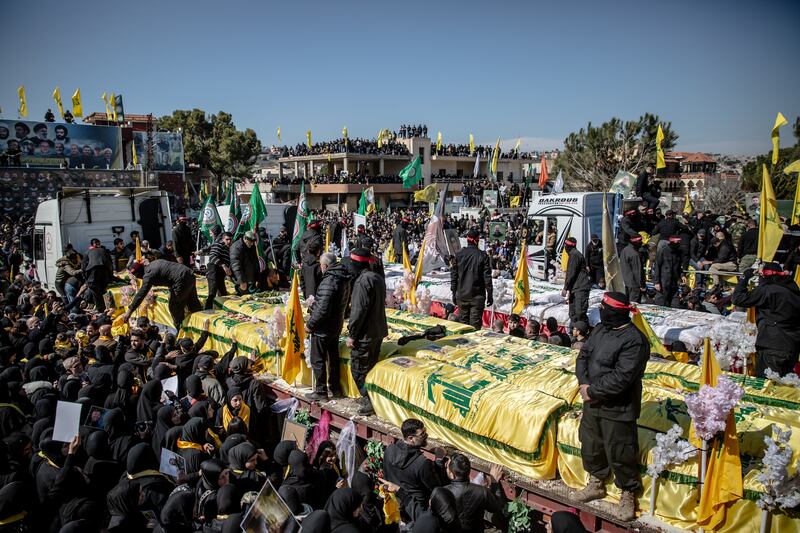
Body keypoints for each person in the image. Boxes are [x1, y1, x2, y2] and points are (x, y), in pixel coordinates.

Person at [573, 292, 650, 522]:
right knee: (591, 443)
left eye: (606, 311)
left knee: (621, 450)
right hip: (592, 402)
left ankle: (628, 491)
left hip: (618, 407)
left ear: (617, 313)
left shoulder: (634, 340)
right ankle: (596, 481)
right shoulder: (599, 330)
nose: (602, 314)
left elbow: (622, 377)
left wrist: (592, 391)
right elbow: (583, 357)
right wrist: (584, 383)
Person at [731, 263, 800, 377]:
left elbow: (738, 299)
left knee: (766, 385)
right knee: (784, 388)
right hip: (792, 348)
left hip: (772, 346)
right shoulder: (794, 292)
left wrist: (744, 278)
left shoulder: (768, 289)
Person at [346, 247, 388, 415]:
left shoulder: (363, 282)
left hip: (365, 335)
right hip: (377, 331)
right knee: (370, 367)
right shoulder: (377, 278)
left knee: (358, 369)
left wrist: (352, 334)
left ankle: (369, 399)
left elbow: (358, 311)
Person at [306, 253, 351, 401]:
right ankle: (335, 387)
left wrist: (310, 324)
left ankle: (320, 391)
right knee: (333, 357)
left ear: (324, 265)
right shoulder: (343, 278)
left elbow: (322, 309)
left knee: (317, 359)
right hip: (335, 325)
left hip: (323, 328)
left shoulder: (329, 280)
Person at [383, 419, 444, 522]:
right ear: (411, 438)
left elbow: (386, 474)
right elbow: (435, 487)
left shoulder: (390, 449)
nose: (426, 435)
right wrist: (439, 461)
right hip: (415, 510)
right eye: (422, 434)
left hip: (395, 504)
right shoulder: (421, 463)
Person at [124, 257, 202, 329]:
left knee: (175, 306)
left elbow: (141, 294)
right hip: (189, 273)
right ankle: (201, 325)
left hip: (181, 280)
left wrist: (129, 311)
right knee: (193, 302)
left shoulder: (149, 275)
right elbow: (168, 274)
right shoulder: (153, 263)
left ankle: (181, 331)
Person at [444, 453, 507, 532]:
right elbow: (497, 506)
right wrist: (494, 482)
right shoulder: (481, 491)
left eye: (447, 466)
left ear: (452, 475)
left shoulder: (442, 493)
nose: (445, 465)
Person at [450, 228, 493, 330]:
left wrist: (454, 292)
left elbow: (454, 276)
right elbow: (487, 278)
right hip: (477, 297)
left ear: (467, 240)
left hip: (462, 295)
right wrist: (490, 294)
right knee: (474, 328)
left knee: (463, 327)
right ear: (477, 240)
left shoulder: (459, 255)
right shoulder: (483, 255)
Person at [562, 237, 590, 326]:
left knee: (580, 313)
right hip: (575, 288)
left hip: (580, 288)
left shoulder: (574, 255)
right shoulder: (574, 254)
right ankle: (575, 332)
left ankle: (583, 333)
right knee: (573, 313)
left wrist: (565, 288)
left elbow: (571, 273)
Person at [82, 238, 113, 312]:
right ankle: (107, 307)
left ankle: (100, 309)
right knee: (104, 290)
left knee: (95, 291)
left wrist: (85, 278)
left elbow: (83, 267)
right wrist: (110, 275)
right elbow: (110, 263)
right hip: (104, 273)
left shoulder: (87, 252)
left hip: (93, 274)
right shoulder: (104, 250)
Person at [653, 236, 683, 307]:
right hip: (663, 282)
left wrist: (682, 275)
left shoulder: (678, 252)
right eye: (677, 243)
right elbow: (657, 267)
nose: (679, 245)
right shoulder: (663, 251)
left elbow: (679, 267)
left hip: (674, 282)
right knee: (662, 304)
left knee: (675, 304)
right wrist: (656, 282)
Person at [206, 231, 233, 309]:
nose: (229, 241)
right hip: (213, 270)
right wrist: (223, 265)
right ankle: (208, 310)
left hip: (220, 273)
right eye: (227, 239)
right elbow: (213, 257)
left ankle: (221, 308)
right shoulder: (218, 244)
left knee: (223, 293)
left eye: (230, 239)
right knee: (212, 292)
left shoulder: (229, 249)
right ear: (223, 239)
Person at [620, 235, 645, 303]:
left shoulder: (625, 250)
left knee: (626, 302)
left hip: (626, 282)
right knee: (634, 304)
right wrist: (641, 284)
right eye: (640, 241)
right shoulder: (634, 254)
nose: (641, 243)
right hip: (634, 284)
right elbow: (637, 272)